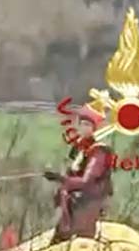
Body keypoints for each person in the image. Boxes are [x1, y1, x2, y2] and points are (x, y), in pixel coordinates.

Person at [44, 104, 114, 243]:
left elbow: (87, 181)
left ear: (96, 129)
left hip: (89, 202)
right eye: (81, 124)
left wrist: (61, 179)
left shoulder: (99, 151)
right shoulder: (80, 147)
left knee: (82, 242)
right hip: (73, 202)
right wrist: (56, 176)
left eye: (88, 124)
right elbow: (72, 171)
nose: (83, 128)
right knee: (61, 239)